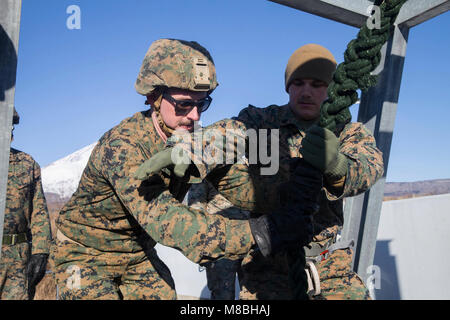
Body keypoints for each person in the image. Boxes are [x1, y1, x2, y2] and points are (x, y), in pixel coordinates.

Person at [51, 38, 321, 300]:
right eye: (183, 104)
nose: (194, 116)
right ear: (153, 97)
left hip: (137, 254)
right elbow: (174, 226)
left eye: (201, 104)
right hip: (84, 255)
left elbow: (242, 188)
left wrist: (294, 194)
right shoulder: (123, 147)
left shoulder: (192, 143)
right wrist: (261, 232)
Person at [153, 43, 384, 299]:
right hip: (266, 272)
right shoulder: (264, 122)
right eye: (298, 84)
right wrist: (191, 148)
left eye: (317, 85)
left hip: (328, 267)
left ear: (330, 88)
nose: (306, 92)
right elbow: (229, 132)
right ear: (288, 87)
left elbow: (369, 166)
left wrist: (337, 165)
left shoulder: (346, 132)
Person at [0, 107, 52, 300]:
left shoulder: (27, 164)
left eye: (10, 126)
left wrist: (41, 252)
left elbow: (39, 212)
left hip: (17, 261)